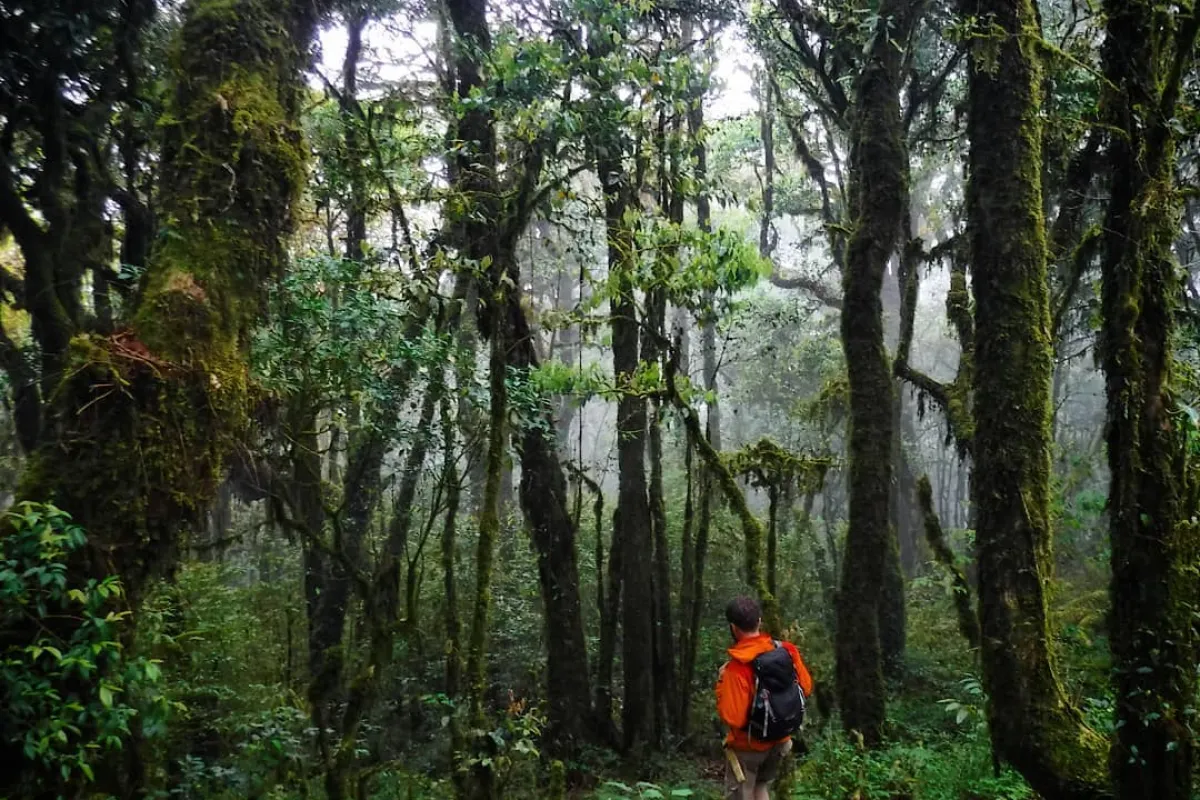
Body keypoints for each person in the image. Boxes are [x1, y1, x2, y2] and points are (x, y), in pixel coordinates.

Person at [715, 595, 813, 800]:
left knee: (743, 794)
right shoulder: (786, 651)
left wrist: (722, 682)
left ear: (733, 628)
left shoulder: (737, 668)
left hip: (748, 746)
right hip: (780, 740)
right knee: (761, 787)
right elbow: (806, 687)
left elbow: (733, 718)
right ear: (759, 621)